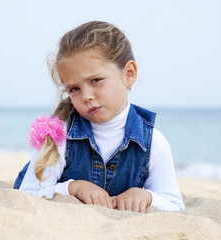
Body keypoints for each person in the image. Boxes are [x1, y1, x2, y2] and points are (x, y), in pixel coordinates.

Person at [14, 21, 185, 213]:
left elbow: (174, 204)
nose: (86, 96)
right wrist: (72, 187)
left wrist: (146, 196)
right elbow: (25, 195)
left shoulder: (153, 142)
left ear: (129, 74)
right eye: (74, 89)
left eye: (95, 80)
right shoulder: (60, 134)